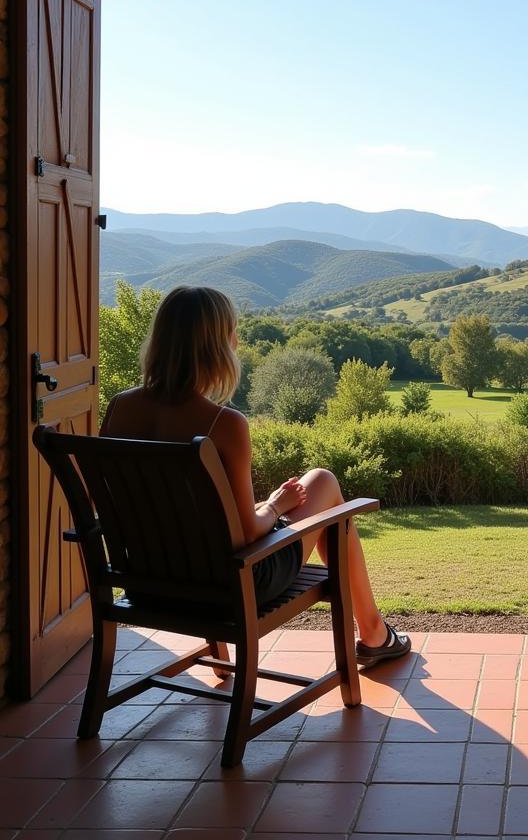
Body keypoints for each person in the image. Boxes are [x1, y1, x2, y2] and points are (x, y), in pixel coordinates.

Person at [101, 285, 409, 668]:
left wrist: (267, 507)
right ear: (215, 346)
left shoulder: (119, 409)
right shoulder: (223, 423)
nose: (238, 339)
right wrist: (277, 505)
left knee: (300, 498)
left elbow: (171, 512)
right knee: (323, 482)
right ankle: (374, 633)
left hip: (148, 587)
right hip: (231, 588)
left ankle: (375, 632)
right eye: (233, 330)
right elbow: (246, 535)